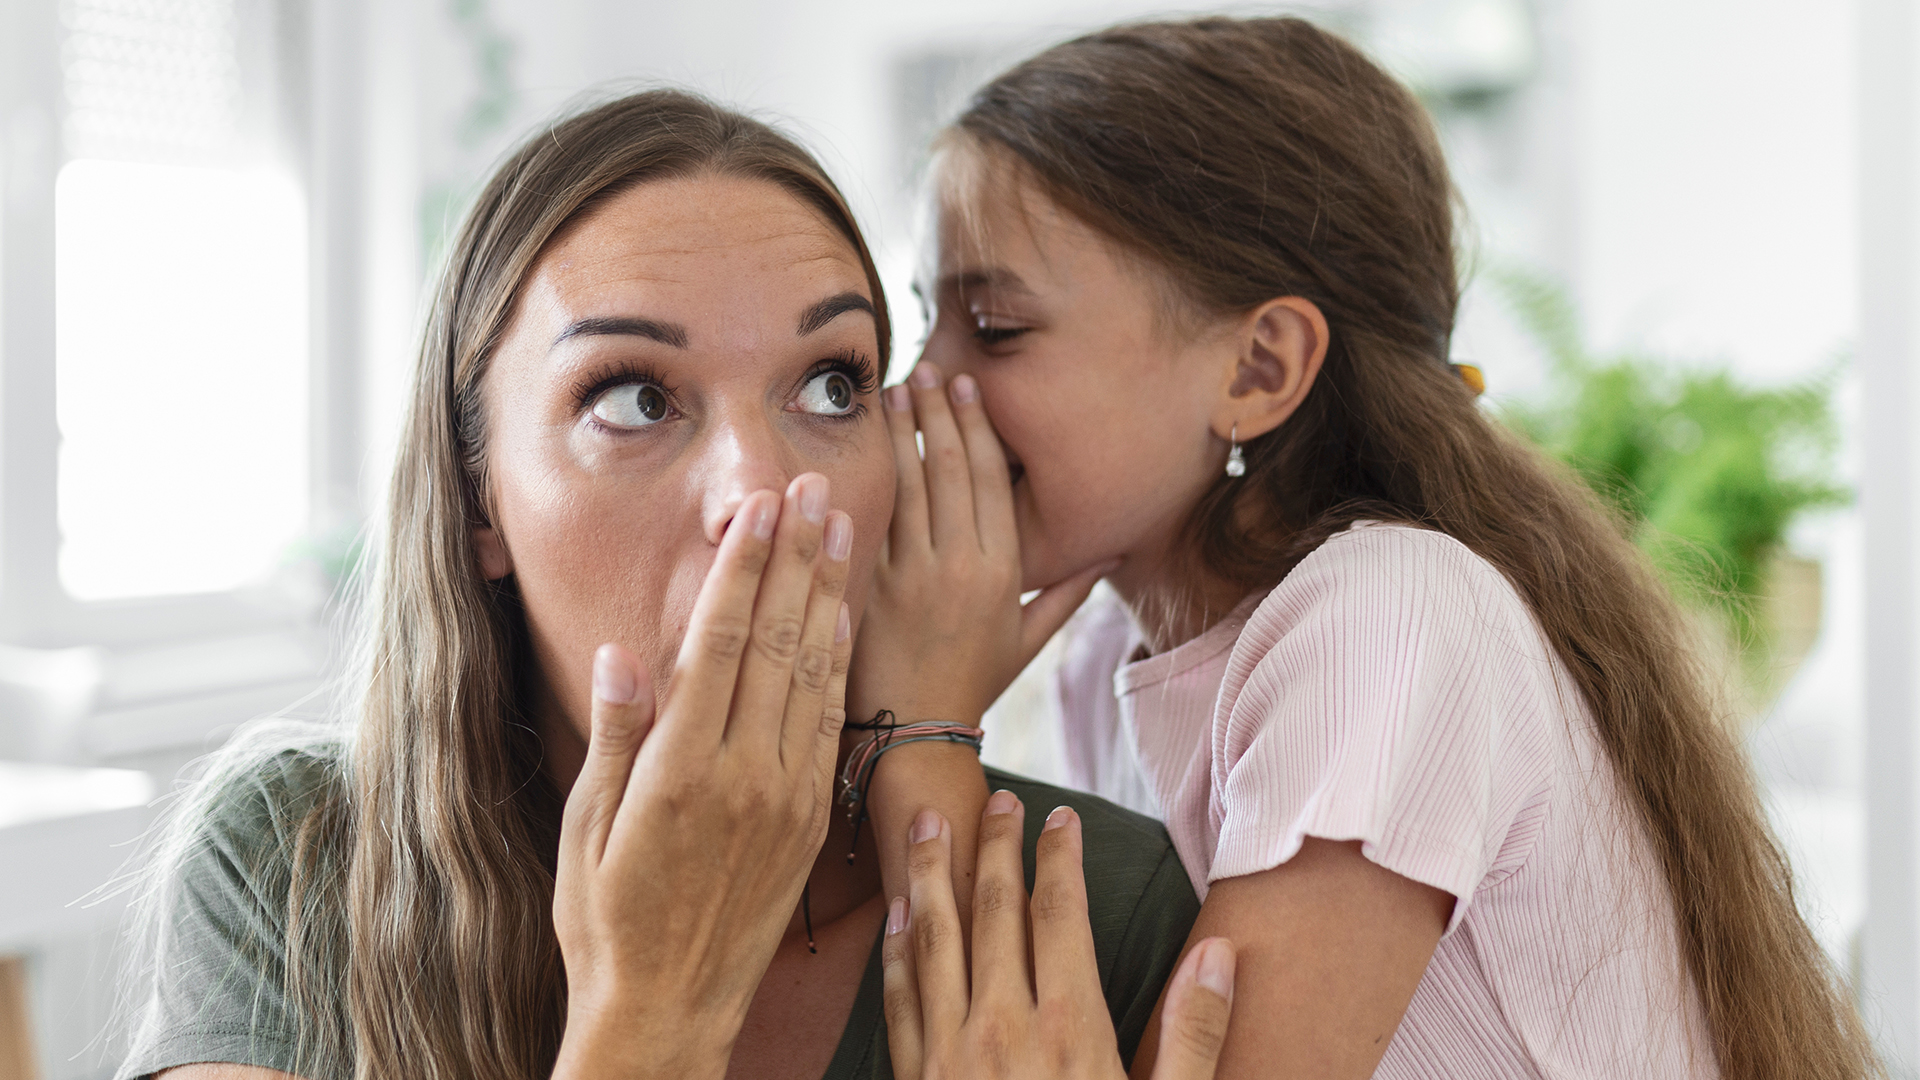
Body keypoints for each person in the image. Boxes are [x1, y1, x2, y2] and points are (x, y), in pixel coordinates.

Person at [112, 89, 1225, 1080]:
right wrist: (650, 1021)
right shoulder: (298, 861)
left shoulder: (1086, 908)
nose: (759, 493)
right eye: (636, 398)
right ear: (477, 502)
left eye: (833, 387)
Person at [869, 15, 1880, 1080]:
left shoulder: (1388, 619)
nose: (914, 392)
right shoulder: (1096, 664)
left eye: (995, 328)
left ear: (1260, 367)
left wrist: (920, 725)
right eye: (929, 317)